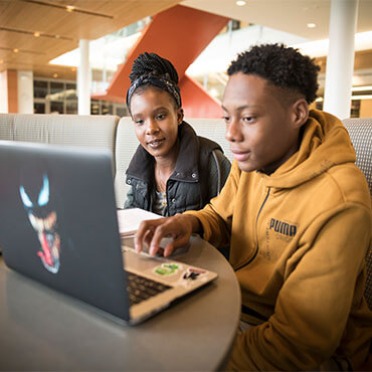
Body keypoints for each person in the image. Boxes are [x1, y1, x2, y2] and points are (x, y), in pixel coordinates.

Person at [134, 44, 372, 370]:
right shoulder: (254, 161)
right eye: (227, 117)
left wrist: (197, 356)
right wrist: (188, 223)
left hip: (315, 355)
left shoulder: (341, 202)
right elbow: (219, 213)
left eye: (247, 118)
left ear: (297, 114)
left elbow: (297, 344)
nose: (231, 135)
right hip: (236, 309)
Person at [124, 52, 231, 216]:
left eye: (160, 116)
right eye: (140, 121)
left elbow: (229, 226)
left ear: (179, 116)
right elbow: (128, 220)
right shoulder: (139, 167)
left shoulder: (212, 162)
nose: (150, 129)